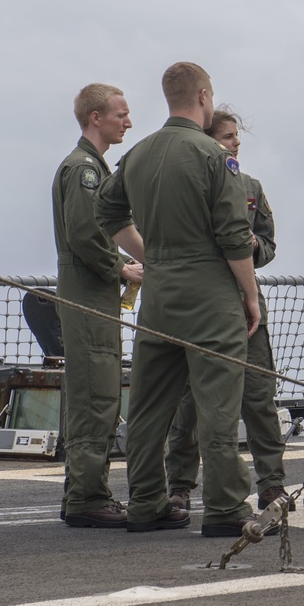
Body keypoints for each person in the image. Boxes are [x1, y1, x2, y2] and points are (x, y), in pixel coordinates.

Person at [95, 61, 270, 537]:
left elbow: (107, 211)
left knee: (150, 406)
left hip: (160, 294)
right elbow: (236, 236)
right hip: (209, 294)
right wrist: (250, 297)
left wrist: (150, 254)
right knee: (217, 407)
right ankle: (226, 507)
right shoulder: (215, 157)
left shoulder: (140, 153)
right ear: (204, 97)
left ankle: (147, 502)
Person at [164, 107, 293, 514]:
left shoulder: (251, 186)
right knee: (188, 403)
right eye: (226, 137)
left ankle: (272, 483)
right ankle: (181, 485)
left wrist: (254, 246)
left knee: (258, 397)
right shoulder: (189, 186)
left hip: (244, 308)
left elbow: (269, 245)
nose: (235, 143)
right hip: (200, 307)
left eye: (236, 136)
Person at [51, 83, 142, 529]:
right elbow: (85, 233)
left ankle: (83, 494)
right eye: (120, 114)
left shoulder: (93, 167)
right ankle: (88, 497)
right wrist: (121, 269)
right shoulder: (85, 169)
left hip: (92, 291)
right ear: (95, 118)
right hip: (89, 294)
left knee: (98, 390)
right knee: (95, 395)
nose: (127, 121)